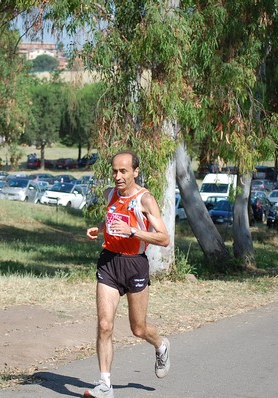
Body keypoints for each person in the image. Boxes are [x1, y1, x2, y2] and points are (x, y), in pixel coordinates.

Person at [84, 150, 171, 398]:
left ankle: (161, 345)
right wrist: (99, 229)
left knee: (139, 329)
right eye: (114, 171)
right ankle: (105, 385)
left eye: (123, 171)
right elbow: (113, 219)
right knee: (104, 325)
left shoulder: (145, 199)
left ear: (135, 171)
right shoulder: (110, 194)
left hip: (135, 265)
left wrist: (133, 231)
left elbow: (163, 238)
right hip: (109, 262)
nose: (118, 176)